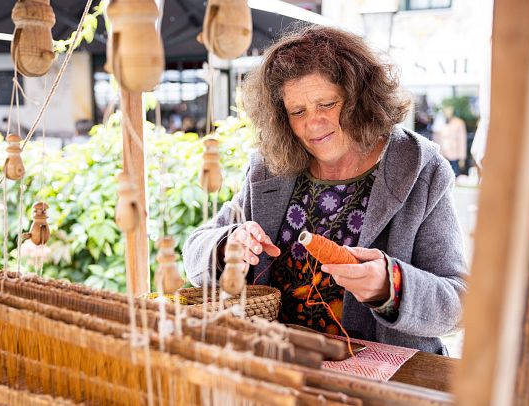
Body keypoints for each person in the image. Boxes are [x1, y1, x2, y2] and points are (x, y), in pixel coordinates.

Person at [183, 26, 467, 354]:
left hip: (381, 379)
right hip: (282, 370)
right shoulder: (270, 166)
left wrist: (391, 287)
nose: (313, 123)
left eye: (327, 104)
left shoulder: (418, 167)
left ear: (360, 98)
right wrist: (226, 245)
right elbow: (194, 254)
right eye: (297, 112)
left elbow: (458, 304)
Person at [433, 105, 467, 177]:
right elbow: (436, 137)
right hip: (442, 155)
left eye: (450, 110)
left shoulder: (459, 123)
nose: (448, 112)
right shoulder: (440, 122)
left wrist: (462, 157)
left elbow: (462, 140)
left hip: (454, 155)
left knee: (455, 176)